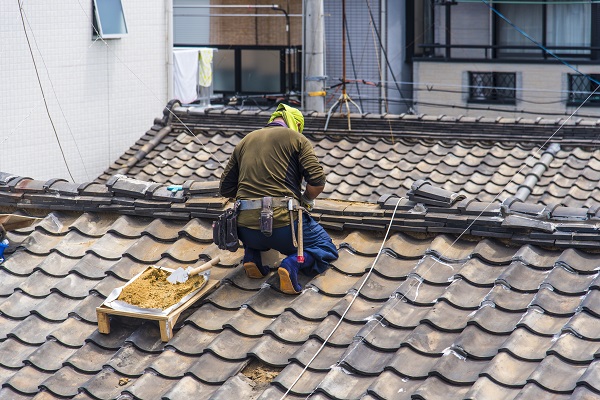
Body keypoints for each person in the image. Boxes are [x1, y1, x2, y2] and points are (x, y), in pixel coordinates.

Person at [219, 103, 338, 294]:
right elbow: (317, 182)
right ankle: (291, 264)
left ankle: (252, 257)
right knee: (325, 246)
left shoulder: (245, 141)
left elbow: (225, 188)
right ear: (296, 124)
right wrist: (306, 200)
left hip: (245, 230)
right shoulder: (296, 138)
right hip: (283, 227)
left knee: (255, 232)